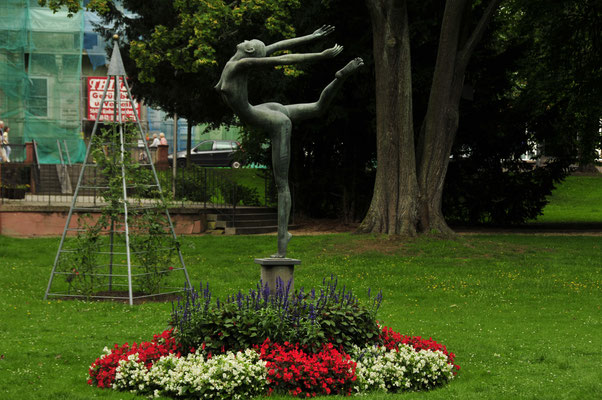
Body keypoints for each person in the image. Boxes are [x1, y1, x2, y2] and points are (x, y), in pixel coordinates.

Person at [215, 25, 363, 258]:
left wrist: (320, 55)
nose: (245, 38)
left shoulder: (238, 64)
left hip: (268, 117)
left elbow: (285, 61)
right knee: (316, 107)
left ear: (249, 49)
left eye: (249, 39)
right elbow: (280, 47)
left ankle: (283, 240)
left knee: (282, 184)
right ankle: (340, 78)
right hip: (261, 110)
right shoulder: (238, 62)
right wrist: (311, 37)